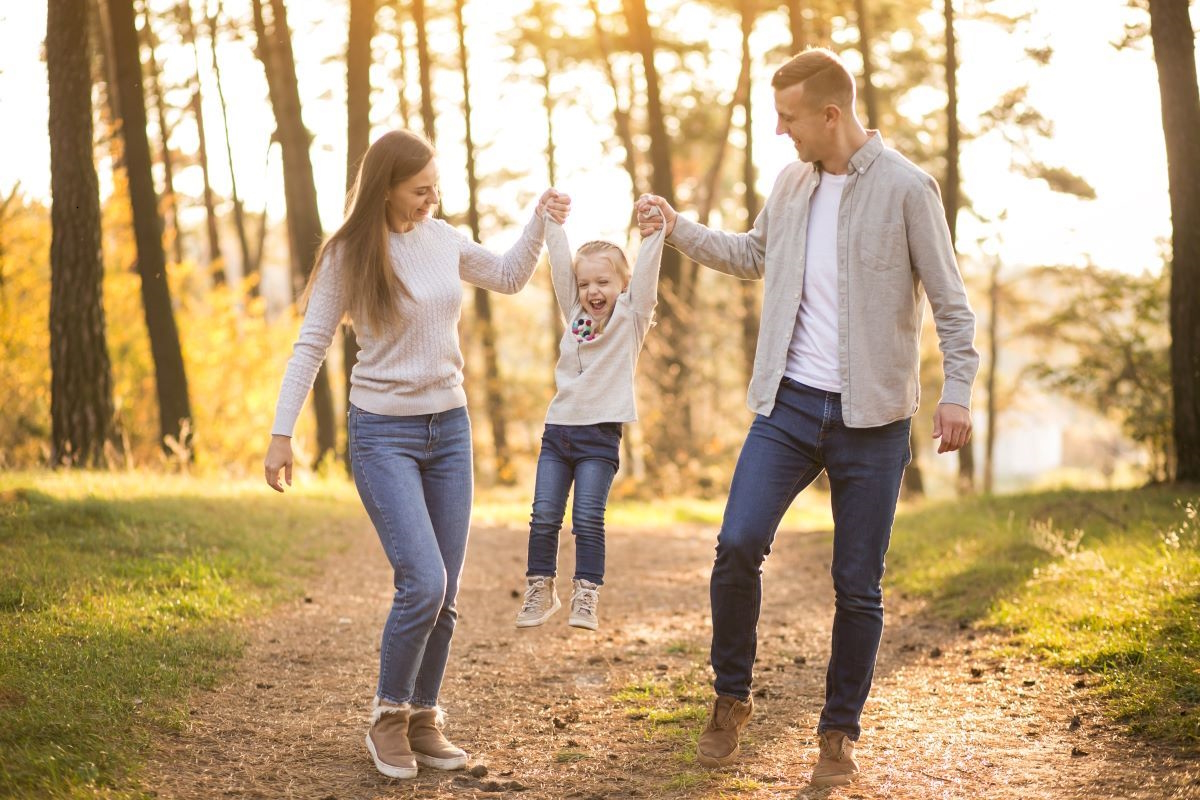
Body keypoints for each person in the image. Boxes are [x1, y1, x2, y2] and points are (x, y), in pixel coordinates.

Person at [636, 48, 978, 788]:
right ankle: (731, 700)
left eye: (790, 118)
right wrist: (675, 227)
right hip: (788, 405)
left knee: (858, 585)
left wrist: (959, 390)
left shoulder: (907, 189)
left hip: (874, 420)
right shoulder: (791, 184)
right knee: (736, 545)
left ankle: (837, 733)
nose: (782, 132)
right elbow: (753, 254)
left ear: (831, 113)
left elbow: (951, 303)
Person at [263, 129, 570, 780]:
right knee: (423, 583)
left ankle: (426, 717)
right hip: (383, 434)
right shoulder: (351, 252)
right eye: (420, 188)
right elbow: (311, 344)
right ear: (387, 187)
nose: (432, 197)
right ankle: (388, 719)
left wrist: (540, 219)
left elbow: (512, 276)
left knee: (448, 593)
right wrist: (281, 432)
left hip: (450, 431)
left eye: (437, 186)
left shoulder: (443, 237)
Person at [515, 209, 666, 631]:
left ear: (622, 284)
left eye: (603, 282)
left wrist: (652, 234)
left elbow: (648, 280)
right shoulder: (575, 317)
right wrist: (553, 221)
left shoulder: (631, 318)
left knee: (586, 517)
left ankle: (586, 594)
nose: (592, 291)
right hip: (558, 432)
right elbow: (561, 266)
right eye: (585, 284)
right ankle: (540, 587)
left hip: (599, 438)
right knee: (544, 514)